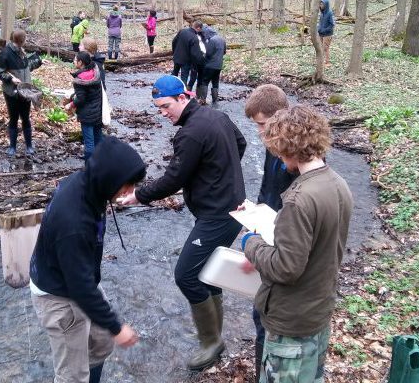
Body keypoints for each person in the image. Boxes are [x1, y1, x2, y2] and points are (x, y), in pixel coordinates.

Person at [120, 75, 247, 371]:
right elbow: (239, 144)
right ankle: (215, 333)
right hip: (230, 208)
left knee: (186, 275)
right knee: (207, 270)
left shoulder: (190, 133)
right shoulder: (217, 115)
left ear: (182, 97)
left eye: (165, 106)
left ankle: (211, 342)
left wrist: (139, 195)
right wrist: (219, 173)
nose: (163, 113)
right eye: (158, 108)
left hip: (218, 215)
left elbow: (172, 179)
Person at [243, 105, 353, 383]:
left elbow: (285, 268)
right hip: (319, 309)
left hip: (292, 320)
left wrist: (251, 242)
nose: (277, 156)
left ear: (288, 147)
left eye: (278, 149)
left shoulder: (298, 198)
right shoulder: (339, 184)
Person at [30, 136, 146, 383]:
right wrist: (118, 327)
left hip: (77, 279)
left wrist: (110, 328)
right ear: (110, 178)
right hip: (57, 296)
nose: (130, 191)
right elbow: (79, 285)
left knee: (101, 344)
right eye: (127, 185)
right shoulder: (74, 221)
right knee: (72, 375)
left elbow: (82, 281)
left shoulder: (91, 184)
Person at [243, 84, 295, 382]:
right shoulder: (272, 146)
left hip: (282, 250)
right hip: (267, 238)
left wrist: (261, 247)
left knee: (267, 316)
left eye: (262, 124)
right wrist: (253, 218)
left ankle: (267, 372)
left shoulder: (295, 159)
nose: (260, 132)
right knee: (259, 313)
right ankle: (261, 371)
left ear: (280, 118)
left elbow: (294, 213)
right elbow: (268, 193)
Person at [0, 29, 43, 156]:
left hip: (26, 91)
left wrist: (39, 61)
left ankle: (29, 146)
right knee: (14, 119)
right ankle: (12, 147)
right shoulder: (5, 53)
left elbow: (26, 68)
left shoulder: (22, 52)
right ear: (22, 40)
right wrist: (10, 78)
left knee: (26, 118)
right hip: (12, 93)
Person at [67, 52, 103, 161]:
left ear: (81, 63)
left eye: (75, 60)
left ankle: (90, 169)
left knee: (89, 143)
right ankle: (101, 165)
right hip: (98, 111)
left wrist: (71, 104)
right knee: (98, 139)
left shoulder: (80, 79)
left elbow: (81, 99)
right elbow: (89, 93)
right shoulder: (95, 72)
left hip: (87, 115)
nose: (73, 61)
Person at [171, 20, 205, 87]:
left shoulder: (182, 31)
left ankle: (170, 90)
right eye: (200, 30)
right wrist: (197, 63)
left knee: (174, 74)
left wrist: (174, 52)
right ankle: (183, 94)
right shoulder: (194, 38)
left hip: (177, 58)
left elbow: (173, 41)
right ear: (198, 28)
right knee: (184, 78)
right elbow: (194, 53)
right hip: (186, 61)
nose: (200, 31)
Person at [200, 26, 226, 104]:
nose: (204, 35)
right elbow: (224, 52)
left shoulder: (212, 40)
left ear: (208, 33)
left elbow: (208, 53)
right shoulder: (222, 39)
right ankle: (215, 100)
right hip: (219, 66)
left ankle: (203, 100)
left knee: (205, 82)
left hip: (210, 65)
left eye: (205, 33)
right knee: (215, 83)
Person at [318, 0, 335, 66]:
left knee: (325, 48)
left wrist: (324, 30)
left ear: (326, 4)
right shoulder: (322, 13)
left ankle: (327, 62)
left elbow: (332, 25)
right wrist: (318, 28)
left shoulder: (330, 13)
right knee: (320, 47)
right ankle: (322, 60)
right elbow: (320, 22)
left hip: (327, 34)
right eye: (320, 3)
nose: (320, 5)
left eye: (322, 4)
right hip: (321, 33)